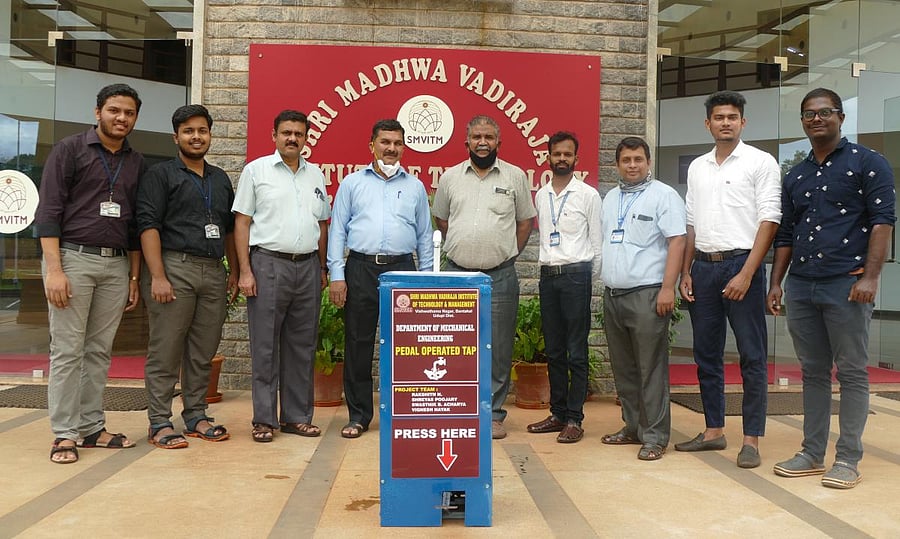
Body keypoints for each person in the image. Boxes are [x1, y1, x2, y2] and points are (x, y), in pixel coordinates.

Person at [767, 88, 895, 489]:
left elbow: (883, 221)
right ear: (803, 122)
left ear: (840, 117)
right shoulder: (796, 174)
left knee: (853, 372)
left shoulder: (869, 163)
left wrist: (871, 277)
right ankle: (811, 452)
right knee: (813, 372)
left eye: (825, 112)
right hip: (803, 286)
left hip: (847, 284)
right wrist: (776, 282)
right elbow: (786, 233)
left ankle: (848, 458)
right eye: (809, 114)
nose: (816, 119)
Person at [34, 83, 145, 464]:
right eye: (114, 110)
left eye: (129, 113)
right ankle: (64, 434)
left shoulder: (135, 162)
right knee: (67, 350)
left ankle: (92, 427)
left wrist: (133, 277)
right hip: (73, 259)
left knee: (98, 352)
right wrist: (54, 270)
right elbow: (48, 212)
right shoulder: (69, 150)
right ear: (97, 112)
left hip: (115, 265)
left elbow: (133, 225)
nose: (121, 118)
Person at [675, 90, 781, 469]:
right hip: (702, 268)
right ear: (708, 123)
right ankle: (713, 431)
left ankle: (751, 439)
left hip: (742, 265)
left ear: (742, 122)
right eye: (718, 117)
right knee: (707, 355)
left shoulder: (760, 162)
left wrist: (747, 273)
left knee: (752, 356)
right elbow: (690, 224)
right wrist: (686, 271)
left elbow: (770, 220)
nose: (725, 122)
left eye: (732, 117)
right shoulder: (698, 166)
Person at [137, 104, 237, 449]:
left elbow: (227, 231)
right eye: (189, 131)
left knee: (202, 351)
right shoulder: (160, 175)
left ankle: (196, 415)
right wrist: (158, 276)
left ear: (210, 135)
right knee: (166, 350)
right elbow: (147, 226)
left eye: (203, 131)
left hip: (213, 272)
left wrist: (234, 272)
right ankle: (159, 422)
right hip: (173, 268)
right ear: (176, 136)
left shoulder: (220, 179)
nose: (197, 137)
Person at [327, 118, 434, 439]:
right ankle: (358, 416)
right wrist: (337, 274)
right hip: (360, 269)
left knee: (407, 347)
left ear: (404, 147)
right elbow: (337, 230)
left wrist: (425, 282)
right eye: (385, 142)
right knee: (358, 344)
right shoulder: (352, 183)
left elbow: (425, 236)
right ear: (371, 145)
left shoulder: (414, 187)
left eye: (397, 143)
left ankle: (403, 413)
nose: (391, 148)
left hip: (403, 271)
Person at [433, 115, 537, 440]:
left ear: (498, 142)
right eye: (476, 136)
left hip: (500, 276)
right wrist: (468, 249)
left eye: (489, 137)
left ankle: (493, 414)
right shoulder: (450, 178)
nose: (482, 142)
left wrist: (506, 253)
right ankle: (455, 407)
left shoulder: (515, 176)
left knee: (498, 347)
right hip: (457, 275)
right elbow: (442, 219)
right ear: (466, 142)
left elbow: (525, 223)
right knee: (452, 345)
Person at [233, 110, 330, 443]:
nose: (292, 138)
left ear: (306, 138)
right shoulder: (256, 171)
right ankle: (264, 419)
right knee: (265, 346)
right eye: (286, 132)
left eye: (299, 134)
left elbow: (322, 225)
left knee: (302, 345)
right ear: (274, 134)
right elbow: (242, 222)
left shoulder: (315, 175)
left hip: (307, 267)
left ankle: (296, 417)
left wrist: (321, 267)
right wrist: (245, 270)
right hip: (268, 264)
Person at [599, 136, 685, 460]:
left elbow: (677, 242)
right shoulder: (610, 199)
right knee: (625, 370)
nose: (632, 165)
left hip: (649, 294)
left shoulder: (664, 196)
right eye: (626, 160)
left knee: (650, 369)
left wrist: (668, 288)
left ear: (648, 162)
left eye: (638, 159)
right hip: (614, 295)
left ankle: (656, 437)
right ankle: (633, 427)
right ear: (617, 164)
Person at [525, 132, 601, 444]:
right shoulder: (541, 196)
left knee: (576, 350)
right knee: (553, 349)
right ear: (548, 157)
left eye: (567, 154)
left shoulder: (588, 195)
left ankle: (574, 418)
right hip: (549, 276)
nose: (561, 159)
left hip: (576, 276)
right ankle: (557, 413)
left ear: (575, 158)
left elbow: (597, 244)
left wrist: (587, 279)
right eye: (556, 154)